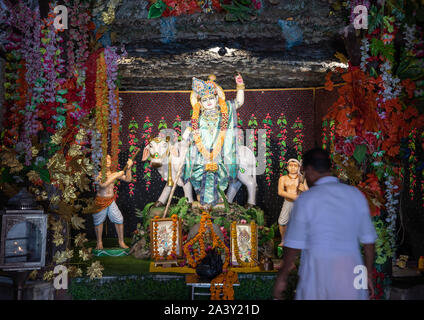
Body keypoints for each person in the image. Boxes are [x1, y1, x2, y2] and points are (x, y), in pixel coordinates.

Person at [273, 148, 377, 300]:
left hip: (317, 276)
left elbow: (293, 245)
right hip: (352, 275)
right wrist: (368, 275)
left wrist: (282, 278)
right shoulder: (355, 195)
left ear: (309, 170)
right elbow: (369, 241)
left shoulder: (306, 199)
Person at [182, 73, 245, 207]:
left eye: (211, 98)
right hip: (201, 156)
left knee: (222, 175)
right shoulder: (197, 119)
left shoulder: (224, 114)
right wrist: (187, 133)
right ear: (200, 103)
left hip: (219, 154)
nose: (209, 101)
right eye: (205, 100)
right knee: (196, 174)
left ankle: (220, 201)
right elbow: (187, 133)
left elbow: (238, 103)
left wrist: (240, 86)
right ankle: (199, 200)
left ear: (217, 98)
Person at [93, 154, 133, 250]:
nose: (107, 161)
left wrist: (128, 168)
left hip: (110, 201)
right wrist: (116, 175)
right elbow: (103, 185)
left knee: (119, 219)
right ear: (99, 163)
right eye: (104, 159)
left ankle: (121, 242)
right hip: (100, 201)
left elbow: (128, 179)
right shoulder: (97, 175)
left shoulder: (114, 174)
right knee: (98, 222)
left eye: (109, 159)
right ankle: (99, 243)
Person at [277, 158, 308, 247]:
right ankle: (284, 240)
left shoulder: (302, 178)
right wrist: (294, 197)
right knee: (282, 222)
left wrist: (304, 189)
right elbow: (280, 192)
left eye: (295, 166)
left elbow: (309, 192)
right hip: (288, 202)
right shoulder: (283, 178)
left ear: (299, 167)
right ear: (287, 167)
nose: (293, 168)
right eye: (291, 165)